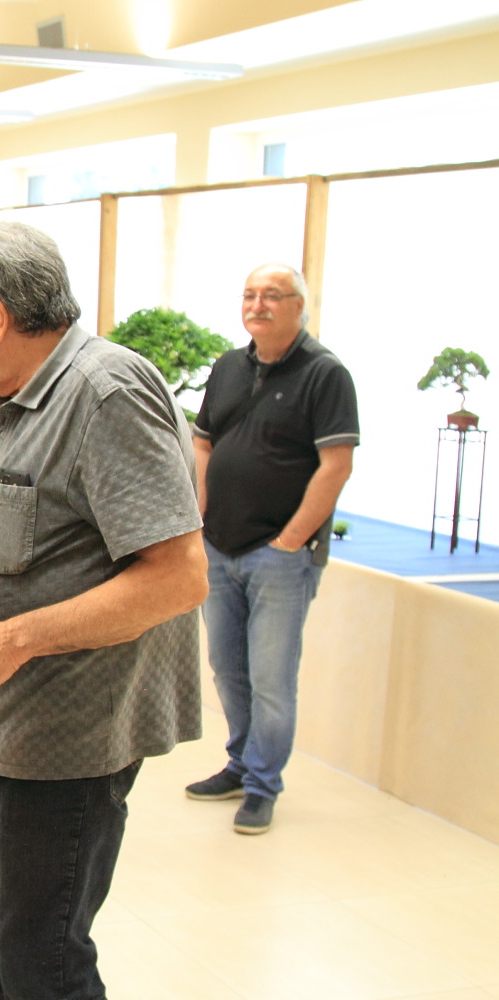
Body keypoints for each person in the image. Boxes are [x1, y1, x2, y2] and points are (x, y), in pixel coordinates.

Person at [0, 217, 208, 1000]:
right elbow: (33, 561)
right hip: (3, 725)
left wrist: (12, 639)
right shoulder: (22, 394)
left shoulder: (106, 393)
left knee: (42, 965)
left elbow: (177, 578)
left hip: (69, 736)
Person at [185, 263, 359, 834]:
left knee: (271, 679)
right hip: (220, 545)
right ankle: (240, 763)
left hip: (280, 556)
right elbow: (204, 443)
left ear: (298, 306)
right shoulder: (228, 367)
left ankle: (262, 786)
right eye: (250, 295)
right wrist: (201, 514)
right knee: (227, 669)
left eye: (272, 296)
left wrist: (290, 541)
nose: (257, 305)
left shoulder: (325, 374)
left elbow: (335, 466)